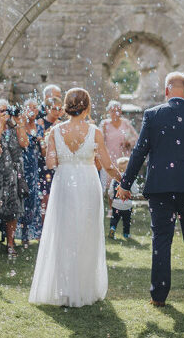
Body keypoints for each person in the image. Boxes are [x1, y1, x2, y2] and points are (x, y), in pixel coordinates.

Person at [117, 72, 184, 306]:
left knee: (161, 239)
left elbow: (139, 152)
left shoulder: (153, 115)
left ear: (167, 91)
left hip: (160, 187)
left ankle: (158, 295)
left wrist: (125, 184)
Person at [28, 88, 120, 307]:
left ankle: (65, 289)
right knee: (86, 232)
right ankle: (84, 288)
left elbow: (50, 163)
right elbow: (107, 165)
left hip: (64, 183)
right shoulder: (95, 131)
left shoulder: (55, 131)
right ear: (87, 107)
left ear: (66, 107)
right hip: (88, 183)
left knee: (64, 233)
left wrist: (57, 150)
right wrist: (123, 180)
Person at [0, 100, 27, 258]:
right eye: (1, 111)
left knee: (13, 210)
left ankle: (10, 243)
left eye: (7, 110)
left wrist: (20, 123)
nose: (5, 114)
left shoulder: (15, 128)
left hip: (14, 175)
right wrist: (1, 125)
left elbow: (24, 143)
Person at [16, 98, 45, 245]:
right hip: (19, 166)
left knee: (31, 201)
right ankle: (12, 234)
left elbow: (44, 152)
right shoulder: (19, 126)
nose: (32, 111)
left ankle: (26, 234)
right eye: (29, 107)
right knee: (18, 199)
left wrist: (42, 141)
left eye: (35, 108)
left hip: (33, 168)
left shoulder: (40, 128)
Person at [100, 99, 139, 208]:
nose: (115, 113)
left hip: (123, 158)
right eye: (112, 111)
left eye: (117, 110)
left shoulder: (125, 123)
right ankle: (111, 208)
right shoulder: (105, 124)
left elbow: (136, 138)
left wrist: (129, 142)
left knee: (124, 180)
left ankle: (125, 207)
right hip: (111, 156)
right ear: (108, 112)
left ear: (121, 111)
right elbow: (100, 140)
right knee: (111, 183)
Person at [107, 156, 139, 239]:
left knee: (115, 218)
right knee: (126, 220)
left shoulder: (114, 179)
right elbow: (135, 191)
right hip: (127, 204)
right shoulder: (131, 178)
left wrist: (112, 198)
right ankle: (126, 234)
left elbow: (110, 192)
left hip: (116, 203)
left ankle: (112, 228)